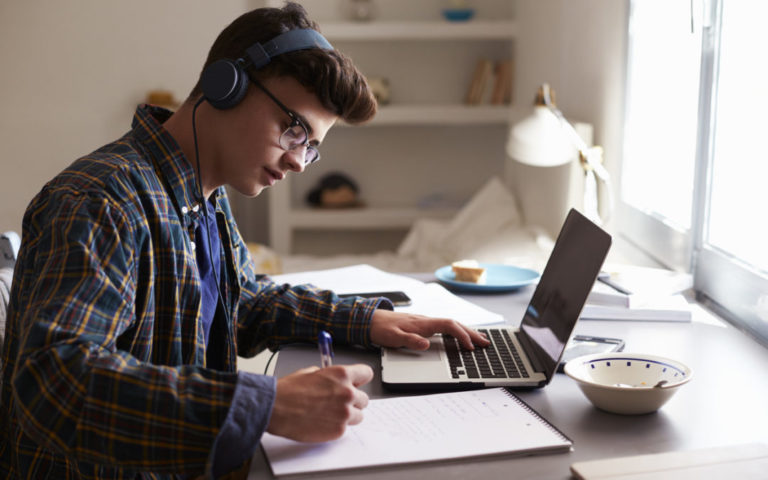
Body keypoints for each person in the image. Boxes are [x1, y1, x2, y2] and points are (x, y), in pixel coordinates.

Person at [0, 3, 489, 479]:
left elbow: (241, 304)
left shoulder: (204, 196)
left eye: (313, 148)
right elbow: (53, 383)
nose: (300, 162)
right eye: (295, 131)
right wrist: (265, 404)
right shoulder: (102, 201)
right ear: (224, 85)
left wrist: (368, 320)